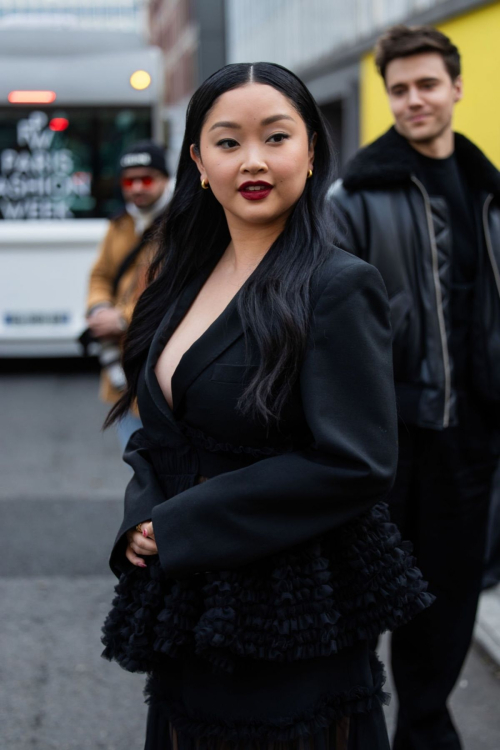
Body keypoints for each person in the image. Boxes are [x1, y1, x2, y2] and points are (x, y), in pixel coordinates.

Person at [101, 62, 432, 750]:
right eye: (227, 142)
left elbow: (356, 461)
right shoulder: (181, 278)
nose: (253, 160)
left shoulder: (339, 284)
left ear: (311, 150)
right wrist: (142, 519)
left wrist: (183, 521)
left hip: (289, 604)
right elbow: (158, 432)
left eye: (276, 137)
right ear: (197, 161)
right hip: (190, 600)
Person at [329, 25, 500, 750]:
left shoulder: (491, 190)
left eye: (427, 84)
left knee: (450, 604)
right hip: (387, 442)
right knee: (359, 606)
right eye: (398, 89)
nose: (413, 100)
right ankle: (353, 727)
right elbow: (327, 325)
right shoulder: (355, 193)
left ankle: (425, 731)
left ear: (457, 87)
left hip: (472, 439)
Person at [86, 141, 171, 449]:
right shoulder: (119, 223)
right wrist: (98, 309)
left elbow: (172, 288)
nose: (137, 187)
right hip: (120, 365)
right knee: (135, 462)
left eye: (147, 179)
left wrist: (122, 320)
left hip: (157, 356)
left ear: (164, 179)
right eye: (128, 180)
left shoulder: (181, 223)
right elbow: (100, 275)